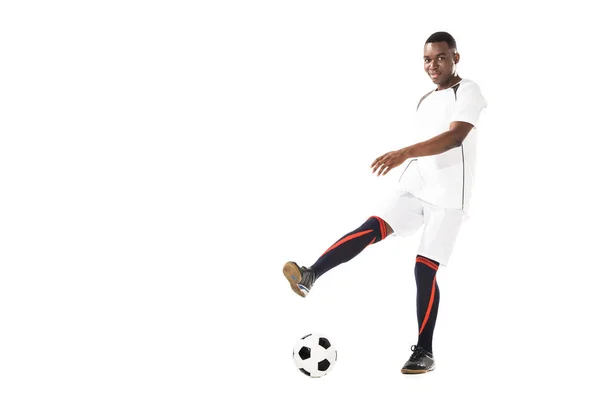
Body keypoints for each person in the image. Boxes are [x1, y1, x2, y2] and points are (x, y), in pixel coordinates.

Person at [282, 31, 487, 374]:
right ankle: (311, 274)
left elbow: (454, 138)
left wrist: (403, 152)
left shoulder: (467, 90)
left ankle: (425, 351)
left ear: (455, 57)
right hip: (417, 184)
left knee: (424, 268)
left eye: (440, 57)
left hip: (449, 197)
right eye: (427, 59)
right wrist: (409, 161)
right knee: (370, 228)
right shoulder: (425, 99)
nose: (433, 64)